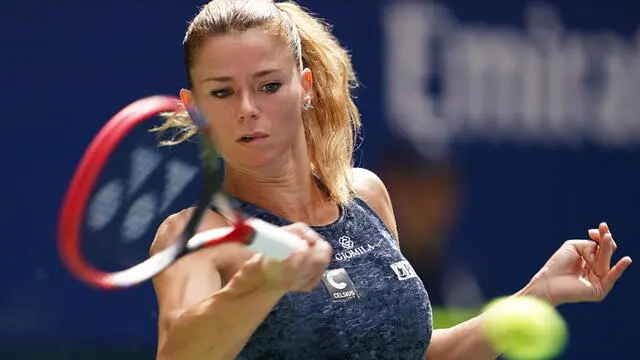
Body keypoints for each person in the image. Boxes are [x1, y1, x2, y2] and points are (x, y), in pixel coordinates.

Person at [149, 1, 633, 359]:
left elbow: (411, 353)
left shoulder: (366, 195)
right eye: (223, 92)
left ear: (306, 88)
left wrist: (538, 294)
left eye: (270, 85)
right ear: (195, 107)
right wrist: (259, 284)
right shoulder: (195, 236)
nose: (248, 109)